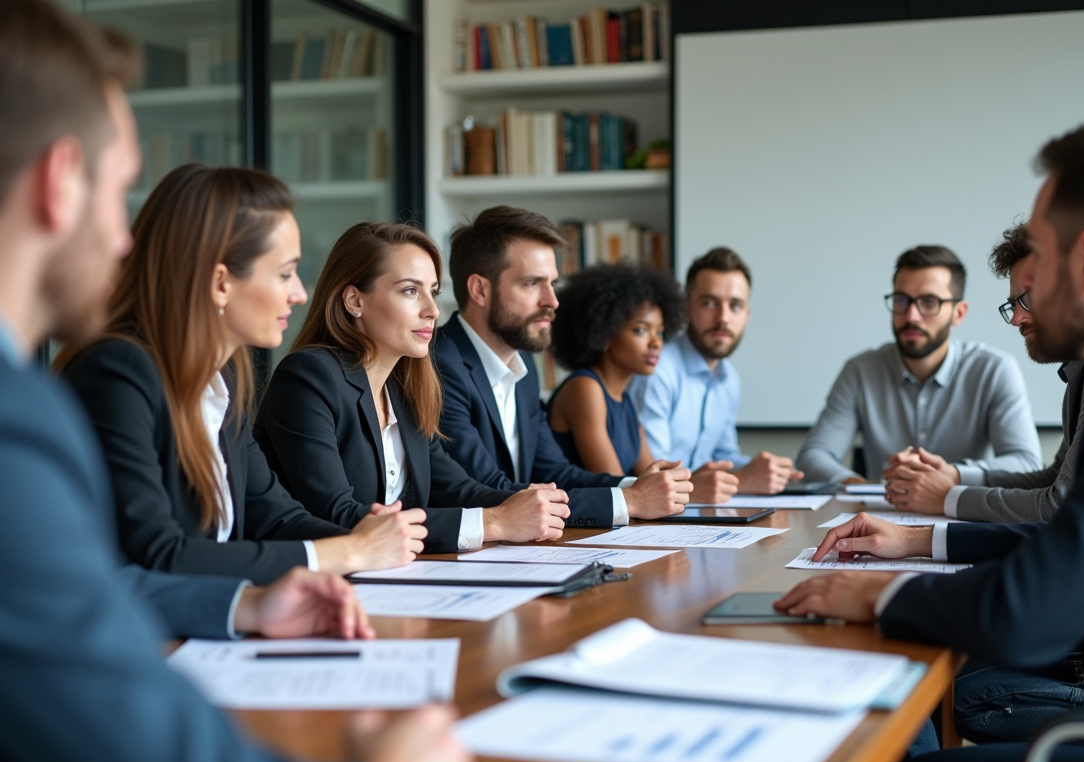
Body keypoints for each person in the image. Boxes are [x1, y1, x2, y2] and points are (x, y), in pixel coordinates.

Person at [0, 2, 467, 762]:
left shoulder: (225, 385)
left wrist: (252, 605)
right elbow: (133, 577)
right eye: (117, 193)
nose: (122, 241)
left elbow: (101, 585)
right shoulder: (82, 388)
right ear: (57, 183)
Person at [774, 114, 1084, 762]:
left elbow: (1030, 612)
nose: (1023, 289)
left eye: (1040, 253)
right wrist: (923, 539)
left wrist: (881, 591)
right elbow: (1074, 537)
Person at [60, 164, 427, 584]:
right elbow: (158, 554)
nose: (299, 293)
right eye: (285, 273)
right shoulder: (117, 374)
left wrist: (369, 542)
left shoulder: (224, 379)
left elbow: (275, 518)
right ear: (221, 283)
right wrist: (351, 550)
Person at [254, 221, 571, 549]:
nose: (432, 310)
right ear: (354, 301)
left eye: (432, 292)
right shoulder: (309, 377)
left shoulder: (404, 389)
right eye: (410, 290)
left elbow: (459, 489)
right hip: (319, 584)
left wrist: (536, 505)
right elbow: (337, 514)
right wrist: (497, 522)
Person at [432, 206, 692, 527]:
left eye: (552, 283)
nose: (553, 301)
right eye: (532, 283)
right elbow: (485, 488)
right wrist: (631, 501)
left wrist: (635, 486)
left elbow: (553, 471)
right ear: (480, 290)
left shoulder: (524, 365)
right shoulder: (439, 365)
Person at [883, 224, 1084, 523]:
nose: (1016, 318)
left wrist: (948, 497)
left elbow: (1059, 504)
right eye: (1012, 305)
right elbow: (1052, 478)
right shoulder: (1082, 372)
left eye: (1027, 299)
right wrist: (952, 478)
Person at [796, 245, 1041, 484]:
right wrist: (854, 485)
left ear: (959, 313)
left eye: (929, 302)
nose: (911, 315)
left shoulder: (994, 370)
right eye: (901, 300)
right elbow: (812, 456)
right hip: (880, 517)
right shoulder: (860, 371)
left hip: (964, 516)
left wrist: (951, 475)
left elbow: (1025, 462)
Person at [630, 247, 804, 498]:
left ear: (746, 315)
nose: (723, 318)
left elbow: (724, 457)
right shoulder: (658, 370)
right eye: (709, 303)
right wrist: (741, 480)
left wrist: (764, 469)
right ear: (686, 308)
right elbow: (657, 477)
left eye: (735, 306)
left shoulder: (729, 379)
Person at [546, 264, 685, 479]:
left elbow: (652, 481)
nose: (656, 342)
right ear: (604, 334)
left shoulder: (626, 402)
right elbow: (617, 486)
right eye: (641, 330)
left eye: (659, 332)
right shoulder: (584, 388)